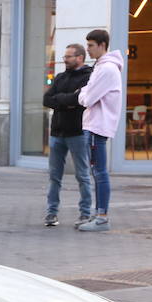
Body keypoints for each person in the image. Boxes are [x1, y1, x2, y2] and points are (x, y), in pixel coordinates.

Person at [76, 28, 124, 233]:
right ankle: (99, 215)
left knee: (99, 172)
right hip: (95, 125)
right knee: (97, 172)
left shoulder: (106, 69)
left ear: (102, 45)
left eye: (91, 45)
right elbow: (87, 93)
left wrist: (82, 95)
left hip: (97, 126)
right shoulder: (101, 67)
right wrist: (84, 93)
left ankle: (102, 217)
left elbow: (87, 98)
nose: (87, 50)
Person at [41, 44, 94, 227]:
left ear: (80, 57)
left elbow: (80, 101)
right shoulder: (60, 77)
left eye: (69, 56)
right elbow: (47, 99)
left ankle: (85, 214)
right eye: (65, 56)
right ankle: (51, 213)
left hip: (78, 132)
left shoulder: (88, 77)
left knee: (83, 175)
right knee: (54, 176)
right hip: (57, 132)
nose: (65, 59)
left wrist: (62, 100)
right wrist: (68, 100)